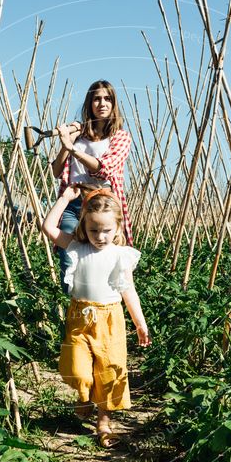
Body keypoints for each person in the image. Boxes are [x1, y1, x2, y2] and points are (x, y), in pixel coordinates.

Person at [41, 185, 151, 447]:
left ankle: (104, 421)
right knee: (78, 369)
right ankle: (84, 395)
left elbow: (129, 291)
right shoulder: (77, 246)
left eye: (106, 230)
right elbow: (48, 227)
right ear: (84, 226)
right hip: (80, 316)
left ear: (117, 228)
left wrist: (140, 322)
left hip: (110, 318)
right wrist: (65, 199)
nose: (100, 236)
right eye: (93, 230)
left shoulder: (119, 255)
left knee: (109, 370)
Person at [50, 80, 133, 292]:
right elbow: (56, 171)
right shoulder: (79, 136)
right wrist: (66, 144)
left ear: (114, 104)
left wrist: (73, 149)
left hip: (101, 203)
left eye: (107, 99)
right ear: (89, 103)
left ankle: (104, 297)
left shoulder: (120, 137)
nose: (102, 103)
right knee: (68, 254)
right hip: (74, 201)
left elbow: (103, 169)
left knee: (105, 255)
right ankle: (74, 301)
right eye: (97, 99)